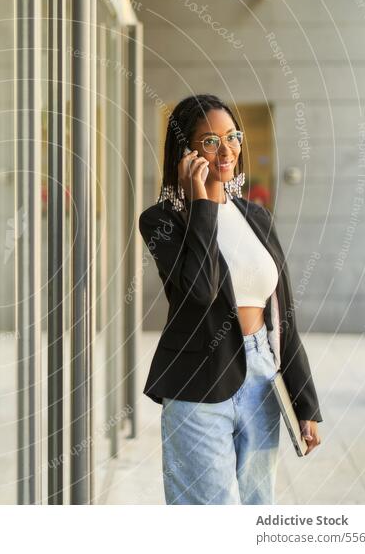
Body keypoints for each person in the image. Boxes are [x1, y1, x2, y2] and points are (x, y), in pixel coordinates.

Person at [138, 94, 323, 505]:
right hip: (198, 380)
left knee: (260, 505)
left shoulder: (256, 217)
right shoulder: (161, 221)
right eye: (209, 141)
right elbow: (200, 291)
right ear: (185, 152)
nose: (226, 150)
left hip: (262, 373)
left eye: (232, 137)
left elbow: (283, 313)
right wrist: (203, 201)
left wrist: (304, 399)